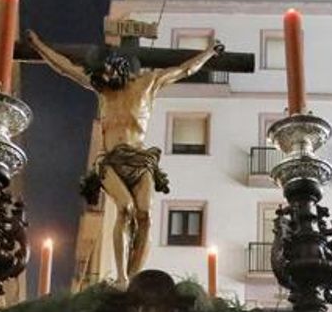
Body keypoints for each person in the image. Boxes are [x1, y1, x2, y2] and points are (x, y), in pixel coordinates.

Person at [26, 27, 224, 282]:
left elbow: (184, 70)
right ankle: (121, 277)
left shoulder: (148, 83)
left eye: (107, 72)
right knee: (125, 208)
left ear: (119, 67)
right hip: (110, 162)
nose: (103, 79)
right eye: (101, 76)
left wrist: (208, 53)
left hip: (140, 161)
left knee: (146, 216)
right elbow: (66, 68)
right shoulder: (104, 91)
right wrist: (39, 44)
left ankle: (134, 277)